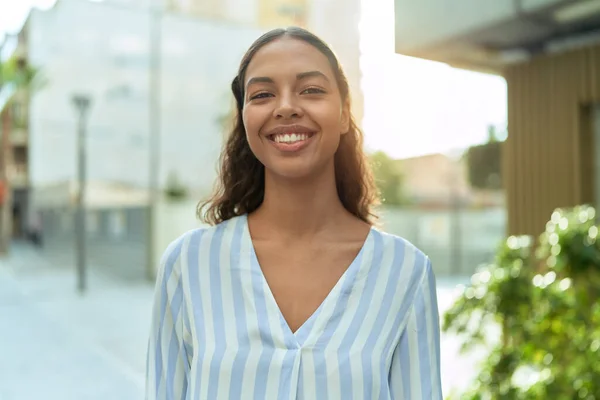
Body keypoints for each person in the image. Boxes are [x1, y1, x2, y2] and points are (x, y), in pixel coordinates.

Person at [146, 27, 443, 400]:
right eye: (263, 94)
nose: (285, 106)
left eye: (312, 90)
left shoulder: (405, 272)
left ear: (344, 111)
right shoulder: (188, 265)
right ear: (244, 116)